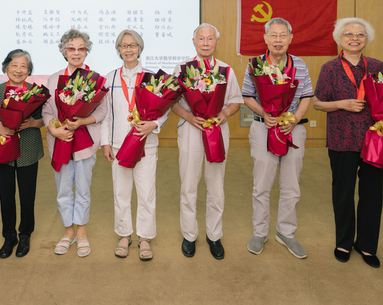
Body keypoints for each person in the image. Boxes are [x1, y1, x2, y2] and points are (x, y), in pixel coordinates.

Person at [313, 18, 383, 268]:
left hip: (373, 138)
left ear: (367, 39)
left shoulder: (377, 66)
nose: (354, 38)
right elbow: (317, 103)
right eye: (349, 34)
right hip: (341, 138)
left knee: (372, 194)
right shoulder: (330, 68)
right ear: (339, 38)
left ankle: (367, 245)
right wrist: (341, 104)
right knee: (343, 193)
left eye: (360, 34)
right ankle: (343, 242)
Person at [242, 17, 313, 259]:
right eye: (273, 35)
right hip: (263, 127)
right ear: (265, 38)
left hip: (293, 129)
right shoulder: (255, 64)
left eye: (283, 35)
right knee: (262, 184)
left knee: (291, 185)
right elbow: (247, 96)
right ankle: (259, 232)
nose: (278, 40)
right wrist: (265, 113)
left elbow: (306, 96)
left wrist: (294, 118)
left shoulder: (300, 64)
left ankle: (286, 232)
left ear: (290, 38)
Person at [171, 23, 243, 260]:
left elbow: (235, 101)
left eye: (210, 39)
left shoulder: (226, 70)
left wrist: (225, 113)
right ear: (194, 42)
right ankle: (189, 235)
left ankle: (214, 235)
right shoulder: (182, 69)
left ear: (217, 42)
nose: (205, 43)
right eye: (201, 39)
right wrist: (189, 116)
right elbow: (171, 103)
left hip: (217, 130)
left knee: (216, 185)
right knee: (188, 184)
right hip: (191, 129)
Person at [100, 30, 170, 261]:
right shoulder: (110, 78)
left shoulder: (152, 77)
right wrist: (105, 143)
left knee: (146, 193)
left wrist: (154, 124)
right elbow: (105, 115)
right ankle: (124, 234)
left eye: (133, 45)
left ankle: (145, 237)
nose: (128, 49)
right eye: (124, 45)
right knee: (121, 192)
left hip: (146, 144)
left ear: (140, 48)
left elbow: (165, 109)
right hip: (118, 146)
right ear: (118, 49)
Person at [42, 29, 108, 258]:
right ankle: (68, 232)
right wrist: (54, 130)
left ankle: (81, 232)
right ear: (64, 52)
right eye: (72, 48)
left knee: (82, 188)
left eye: (81, 48)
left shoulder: (96, 79)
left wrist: (81, 121)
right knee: (62, 189)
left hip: (85, 143)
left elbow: (102, 111)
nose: (76, 52)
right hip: (60, 141)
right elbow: (47, 111)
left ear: (87, 51)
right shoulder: (53, 79)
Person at [0, 49, 44, 259]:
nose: (18, 70)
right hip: (3, 149)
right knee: (5, 195)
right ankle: (9, 237)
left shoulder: (35, 92)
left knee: (27, 196)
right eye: (14, 65)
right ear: (6, 67)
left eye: (23, 66)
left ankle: (25, 235)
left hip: (28, 148)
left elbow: (45, 120)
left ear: (29, 70)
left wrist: (34, 123)